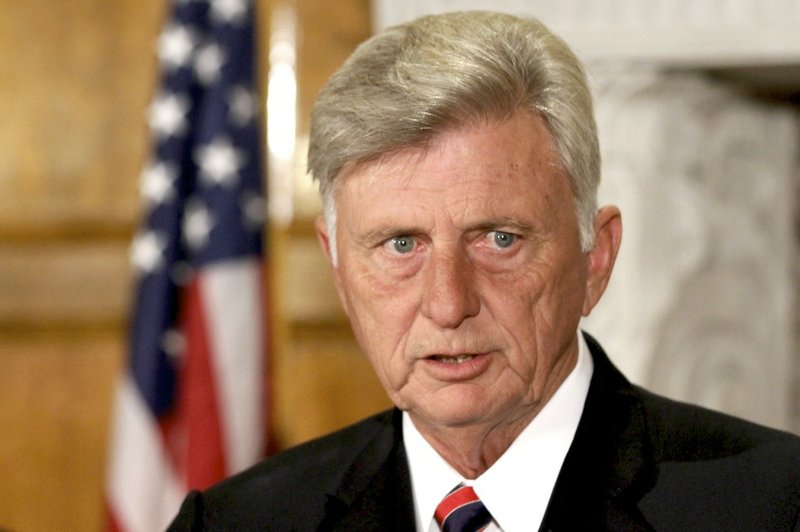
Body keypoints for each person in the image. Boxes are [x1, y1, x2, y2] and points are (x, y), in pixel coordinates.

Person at [169, 10, 800, 531]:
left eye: (500, 239)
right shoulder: (232, 524)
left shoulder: (774, 507)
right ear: (338, 269)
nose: (448, 304)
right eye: (399, 245)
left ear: (595, 259)